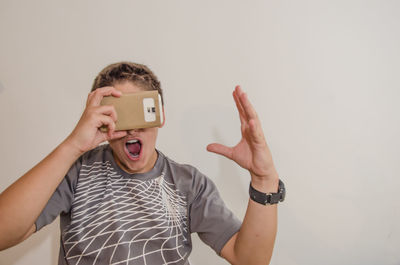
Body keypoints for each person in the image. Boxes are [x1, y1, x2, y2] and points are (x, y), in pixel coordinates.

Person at [0, 62, 284, 265]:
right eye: (121, 115)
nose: (132, 129)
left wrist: (264, 179)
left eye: (142, 111)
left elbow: (250, 260)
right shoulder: (76, 170)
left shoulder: (189, 183)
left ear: (159, 115)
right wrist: (73, 144)